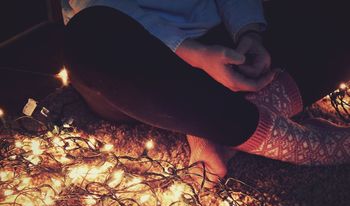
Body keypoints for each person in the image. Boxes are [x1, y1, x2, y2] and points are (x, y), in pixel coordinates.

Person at [62, 0, 350, 184]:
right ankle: (302, 144)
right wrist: (196, 55)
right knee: (89, 33)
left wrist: (249, 33)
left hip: (224, 42)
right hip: (141, 66)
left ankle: (220, 131)